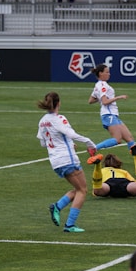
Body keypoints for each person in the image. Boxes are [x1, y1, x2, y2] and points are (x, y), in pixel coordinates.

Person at [36, 92, 96, 233]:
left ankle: (57, 206)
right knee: (83, 190)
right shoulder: (59, 118)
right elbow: (72, 134)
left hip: (55, 161)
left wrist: (67, 143)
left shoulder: (42, 121)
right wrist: (90, 143)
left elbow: (43, 143)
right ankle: (69, 225)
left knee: (77, 189)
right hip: (67, 159)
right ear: (59, 103)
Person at [88, 63, 136, 168]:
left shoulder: (99, 85)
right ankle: (94, 148)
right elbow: (105, 102)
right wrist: (118, 97)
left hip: (113, 115)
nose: (109, 74)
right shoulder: (102, 85)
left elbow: (91, 100)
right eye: (107, 72)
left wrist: (100, 98)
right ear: (100, 73)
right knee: (117, 139)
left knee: (129, 138)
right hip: (108, 115)